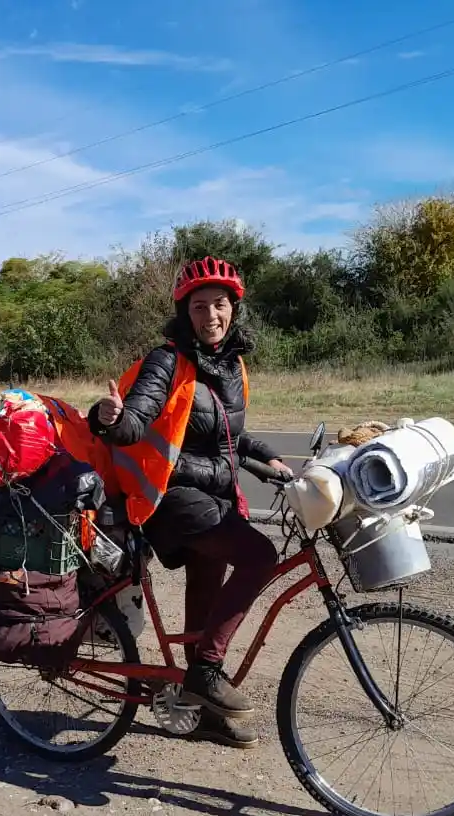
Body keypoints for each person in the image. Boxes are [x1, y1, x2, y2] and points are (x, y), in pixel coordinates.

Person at [88, 256, 292, 749]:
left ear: (233, 308)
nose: (211, 315)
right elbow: (135, 423)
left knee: (205, 595)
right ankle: (205, 670)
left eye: (219, 304)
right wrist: (110, 416)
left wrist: (269, 458)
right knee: (259, 555)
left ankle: (200, 710)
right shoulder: (167, 361)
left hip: (214, 497)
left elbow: (227, 436)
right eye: (199, 307)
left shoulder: (232, 365)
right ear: (186, 313)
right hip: (170, 499)